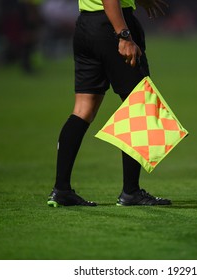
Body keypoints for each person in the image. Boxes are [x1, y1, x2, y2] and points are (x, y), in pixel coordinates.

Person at [47, 0, 171, 207]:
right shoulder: (119, 30)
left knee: (82, 109)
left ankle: (61, 190)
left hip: (87, 26)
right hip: (113, 25)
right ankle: (131, 192)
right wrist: (124, 35)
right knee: (138, 104)